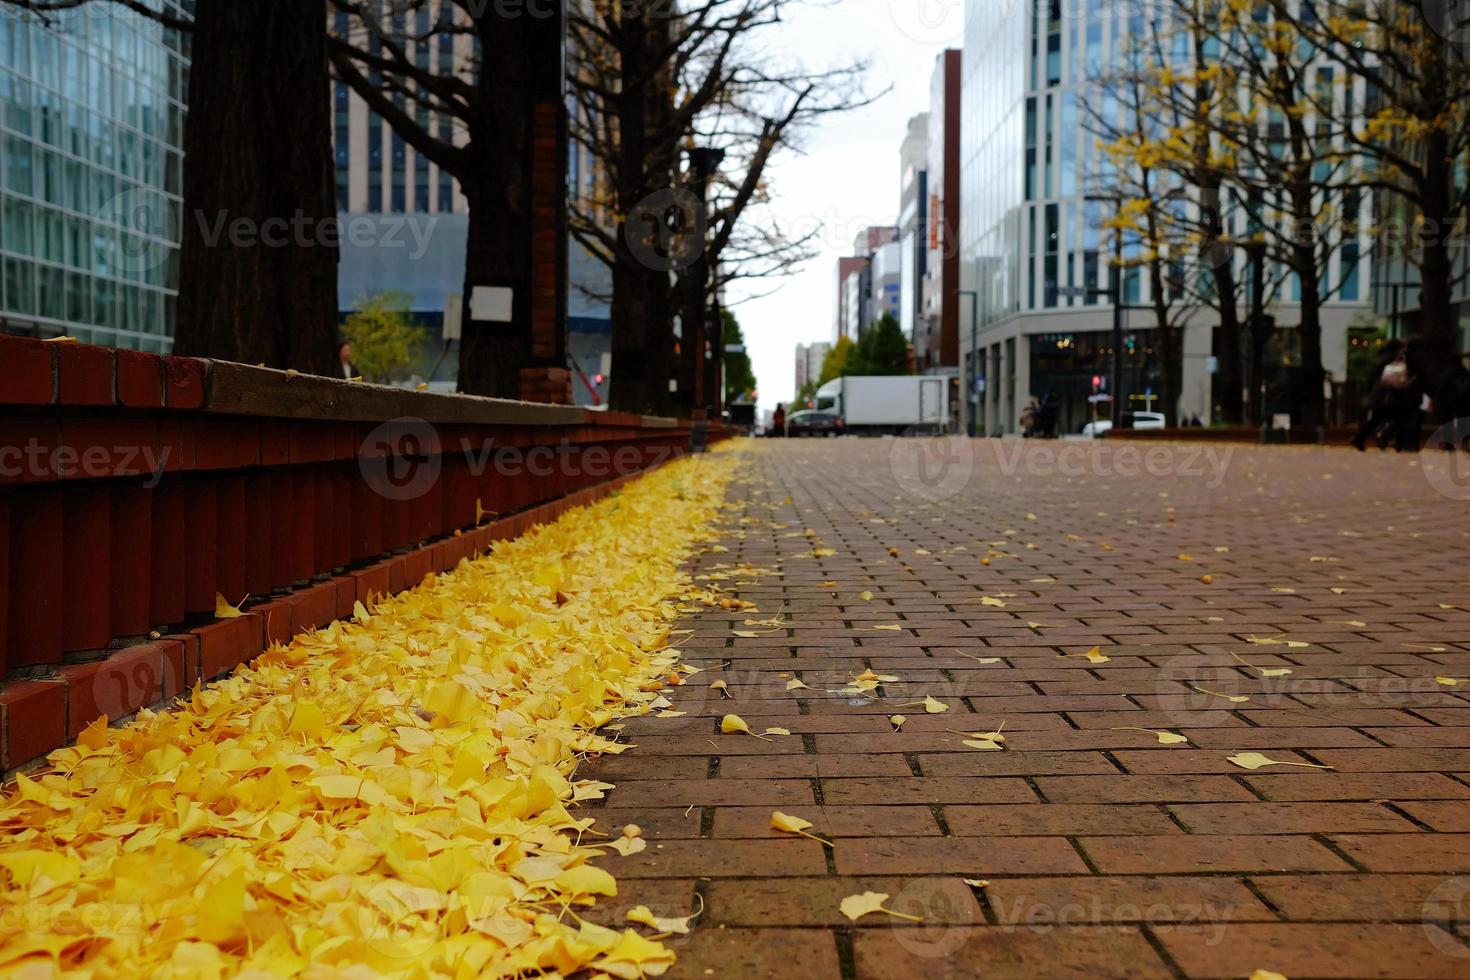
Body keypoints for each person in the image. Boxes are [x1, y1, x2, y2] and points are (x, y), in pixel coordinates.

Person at [1351, 339, 1405, 451]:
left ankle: (1360, 438)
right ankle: (1384, 437)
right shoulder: (1395, 360)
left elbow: (1372, 377)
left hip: (1379, 394)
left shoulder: (1382, 359)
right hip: (1389, 394)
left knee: (1376, 418)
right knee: (1398, 418)